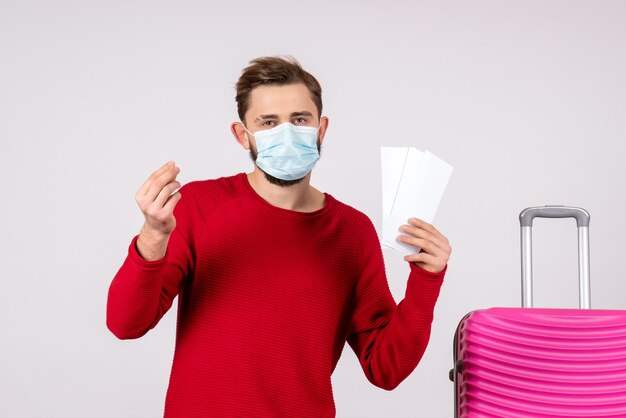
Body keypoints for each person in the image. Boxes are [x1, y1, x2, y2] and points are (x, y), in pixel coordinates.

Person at [107, 56, 451, 418]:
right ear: (243, 135)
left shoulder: (352, 231)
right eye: (268, 122)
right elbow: (126, 324)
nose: (286, 132)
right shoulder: (199, 206)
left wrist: (426, 282)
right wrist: (152, 237)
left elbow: (386, 369)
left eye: (299, 119)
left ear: (321, 129)